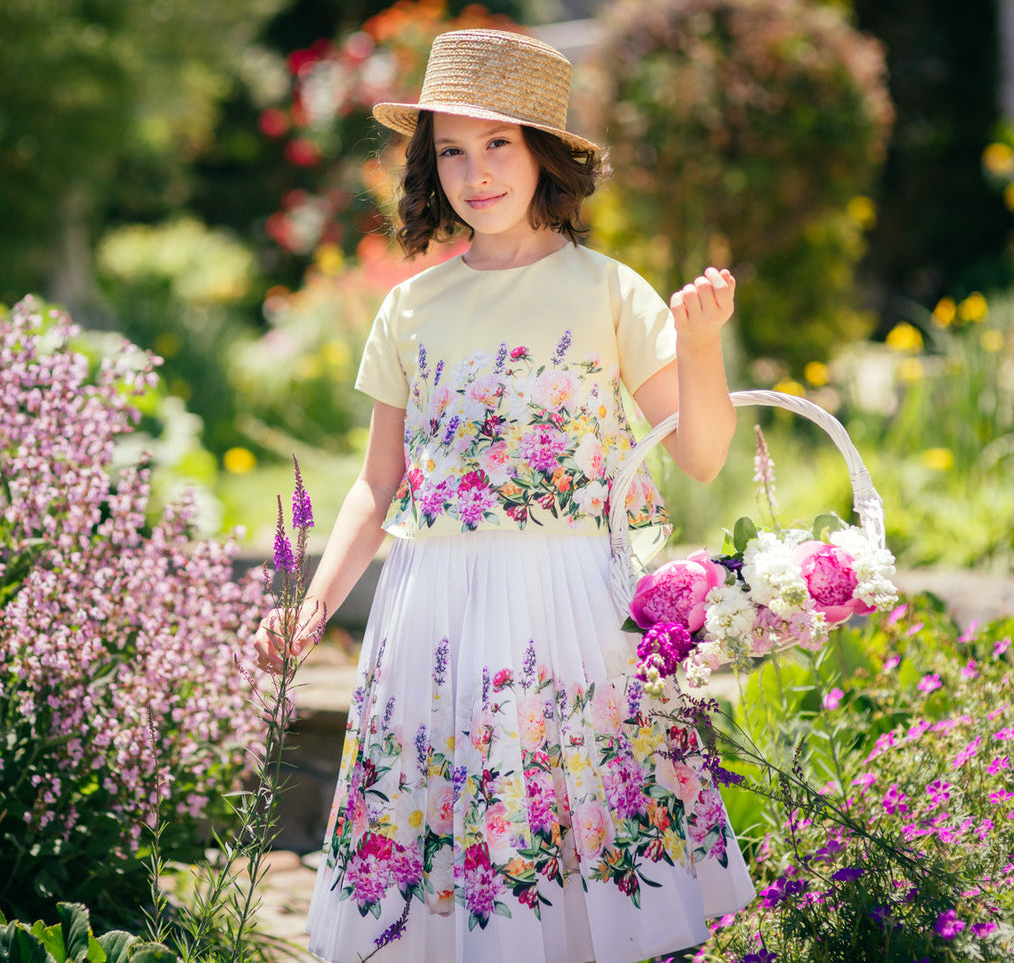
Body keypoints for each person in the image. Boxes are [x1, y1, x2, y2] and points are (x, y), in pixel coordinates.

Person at [254, 28, 756, 963]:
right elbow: (378, 482)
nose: (474, 172)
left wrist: (698, 346)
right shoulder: (410, 307)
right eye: (450, 148)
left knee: (567, 828)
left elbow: (699, 455)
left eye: (497, 144)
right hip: (432, 607)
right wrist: (311, 604)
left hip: (570, 600)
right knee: (447, 839)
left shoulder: (609, 291)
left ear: (543, 155)